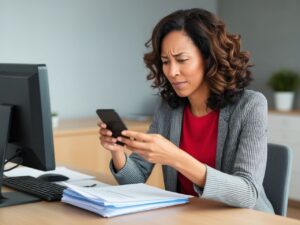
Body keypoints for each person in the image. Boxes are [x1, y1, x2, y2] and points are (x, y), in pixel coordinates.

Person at [98, 8, 274, 213]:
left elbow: (247, 193)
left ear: (209, 59)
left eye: (182, 60)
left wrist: (175, 157)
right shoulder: (168, 109)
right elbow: (135, 179)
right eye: (165, 62)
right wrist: (118, 151)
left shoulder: (250, 106)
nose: (172, 72)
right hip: (188, 217)